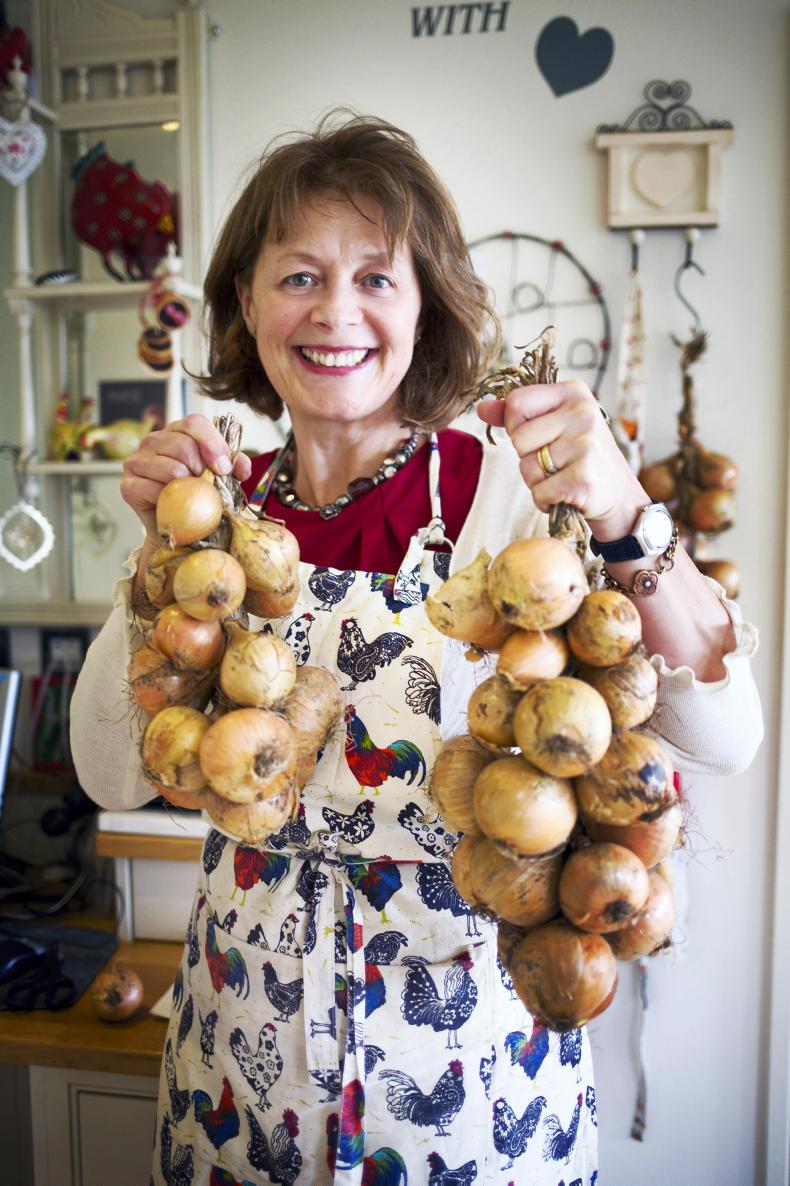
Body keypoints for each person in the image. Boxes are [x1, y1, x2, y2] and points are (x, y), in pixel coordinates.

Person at [70, 112, 763, 1186]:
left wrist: (627, 511)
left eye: (375, 279)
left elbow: (727, 736)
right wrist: (157, 557)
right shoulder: (224, 519)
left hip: (472, 1079)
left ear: (424, 307)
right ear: (246, 302)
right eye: (299, 276)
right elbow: (106, 772)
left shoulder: (510, 492)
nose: (334, 312)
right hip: (246, 1067)